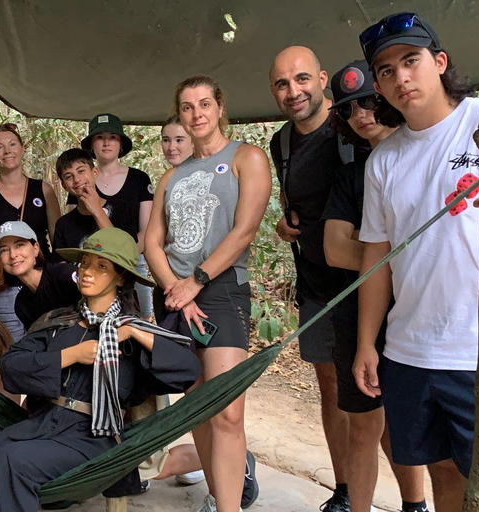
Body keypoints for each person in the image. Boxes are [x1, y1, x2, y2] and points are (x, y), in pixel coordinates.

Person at [0, 227, 202, 512]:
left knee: (12, 463)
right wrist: (70, 355)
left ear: (122, 277)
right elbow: (10, 368)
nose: (87, 272)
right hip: (41, 425)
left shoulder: (133, 336)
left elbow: (187, 370)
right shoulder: (58, 322)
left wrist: (134, 332)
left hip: (93, 437)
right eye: (84, 264)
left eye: (101, 266)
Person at [353, 12, 479, 512]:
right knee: (442, 474)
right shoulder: (384, 160)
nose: (401, 77)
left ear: (439, 62)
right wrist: (367, 342)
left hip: (474, 354)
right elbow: (377, 259)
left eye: (411, 61)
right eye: (386, 71)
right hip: (410, 351)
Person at [146, 75, 272, 512]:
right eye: (187, 106)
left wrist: (195, 282)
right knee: (197, 407)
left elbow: (246, 229)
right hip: (177, 296)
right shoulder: (172, 176)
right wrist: (175, 289)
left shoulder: (246, 157)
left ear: (219, 107)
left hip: (220, 290)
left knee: (228, 410)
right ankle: (220, 497)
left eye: (204, 104)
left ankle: (230, 508)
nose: (196, 114)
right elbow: (152, 243)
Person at [322, 60, 428, 512]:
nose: (361, 115)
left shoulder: (429, 152)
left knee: (415, 427)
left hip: (422, 314)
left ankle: (415, 503)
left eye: (368, 102)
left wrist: (377, 257)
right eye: (350, 110)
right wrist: (403, 261)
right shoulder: (352, 175)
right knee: (364, 426)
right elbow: (334, 249)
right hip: (358, 315)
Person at [268, 46, 353, 512]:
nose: (293, 91)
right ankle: (344, 489)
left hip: (370, 283)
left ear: (322, 79)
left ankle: (412, 498)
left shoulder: (354, 127)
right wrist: (285, 224)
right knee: (331, 386)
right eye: (282, 84)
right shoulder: (281, 144)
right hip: (317, 285)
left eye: (301, 79)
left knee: (381, 390)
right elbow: (296, 205)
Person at [0, 123, 61, 398]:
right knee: (11, 358)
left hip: (41, 284)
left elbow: (57, 240)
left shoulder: (42, 189)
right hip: (3, 289)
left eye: (12, 144)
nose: (7, 151)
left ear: (22, 149)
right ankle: (7, 424)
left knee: (47, 352)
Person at [66, 113, 154, 320]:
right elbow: (72, 226)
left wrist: (125, 261)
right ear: (91, 145)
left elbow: (146, 230)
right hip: (90, 266)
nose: (106, 142)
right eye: (100, 137)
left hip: (132, 263)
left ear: (121, 144)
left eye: (113, 137)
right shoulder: (80, 180)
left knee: (139, 320)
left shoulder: (139, 179)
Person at [0, 220, 82, 331]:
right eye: (4, 250)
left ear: (36, 248)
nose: (13, 255)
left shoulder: (62, 275)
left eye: (19, 245)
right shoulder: (21, 304)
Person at [52, 148, 136, 260]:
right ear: (64, 186)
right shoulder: (63, 224)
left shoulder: (121, 209)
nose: (77, 179)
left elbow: (126, 253)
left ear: (95, 172)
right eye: (68, 176)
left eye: (81, 171)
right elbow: (60, 266)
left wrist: (97, 210)